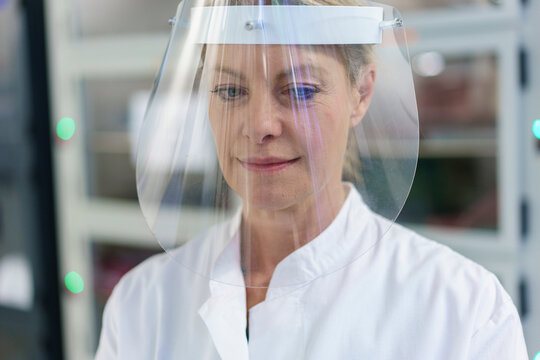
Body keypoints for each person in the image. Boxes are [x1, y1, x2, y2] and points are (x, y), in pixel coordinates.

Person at [95, 0, 529, 359]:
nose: (260, 124)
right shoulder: (142, 304)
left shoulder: (462, 313)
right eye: (230, 91)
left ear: (361, 94)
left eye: (300, 89)